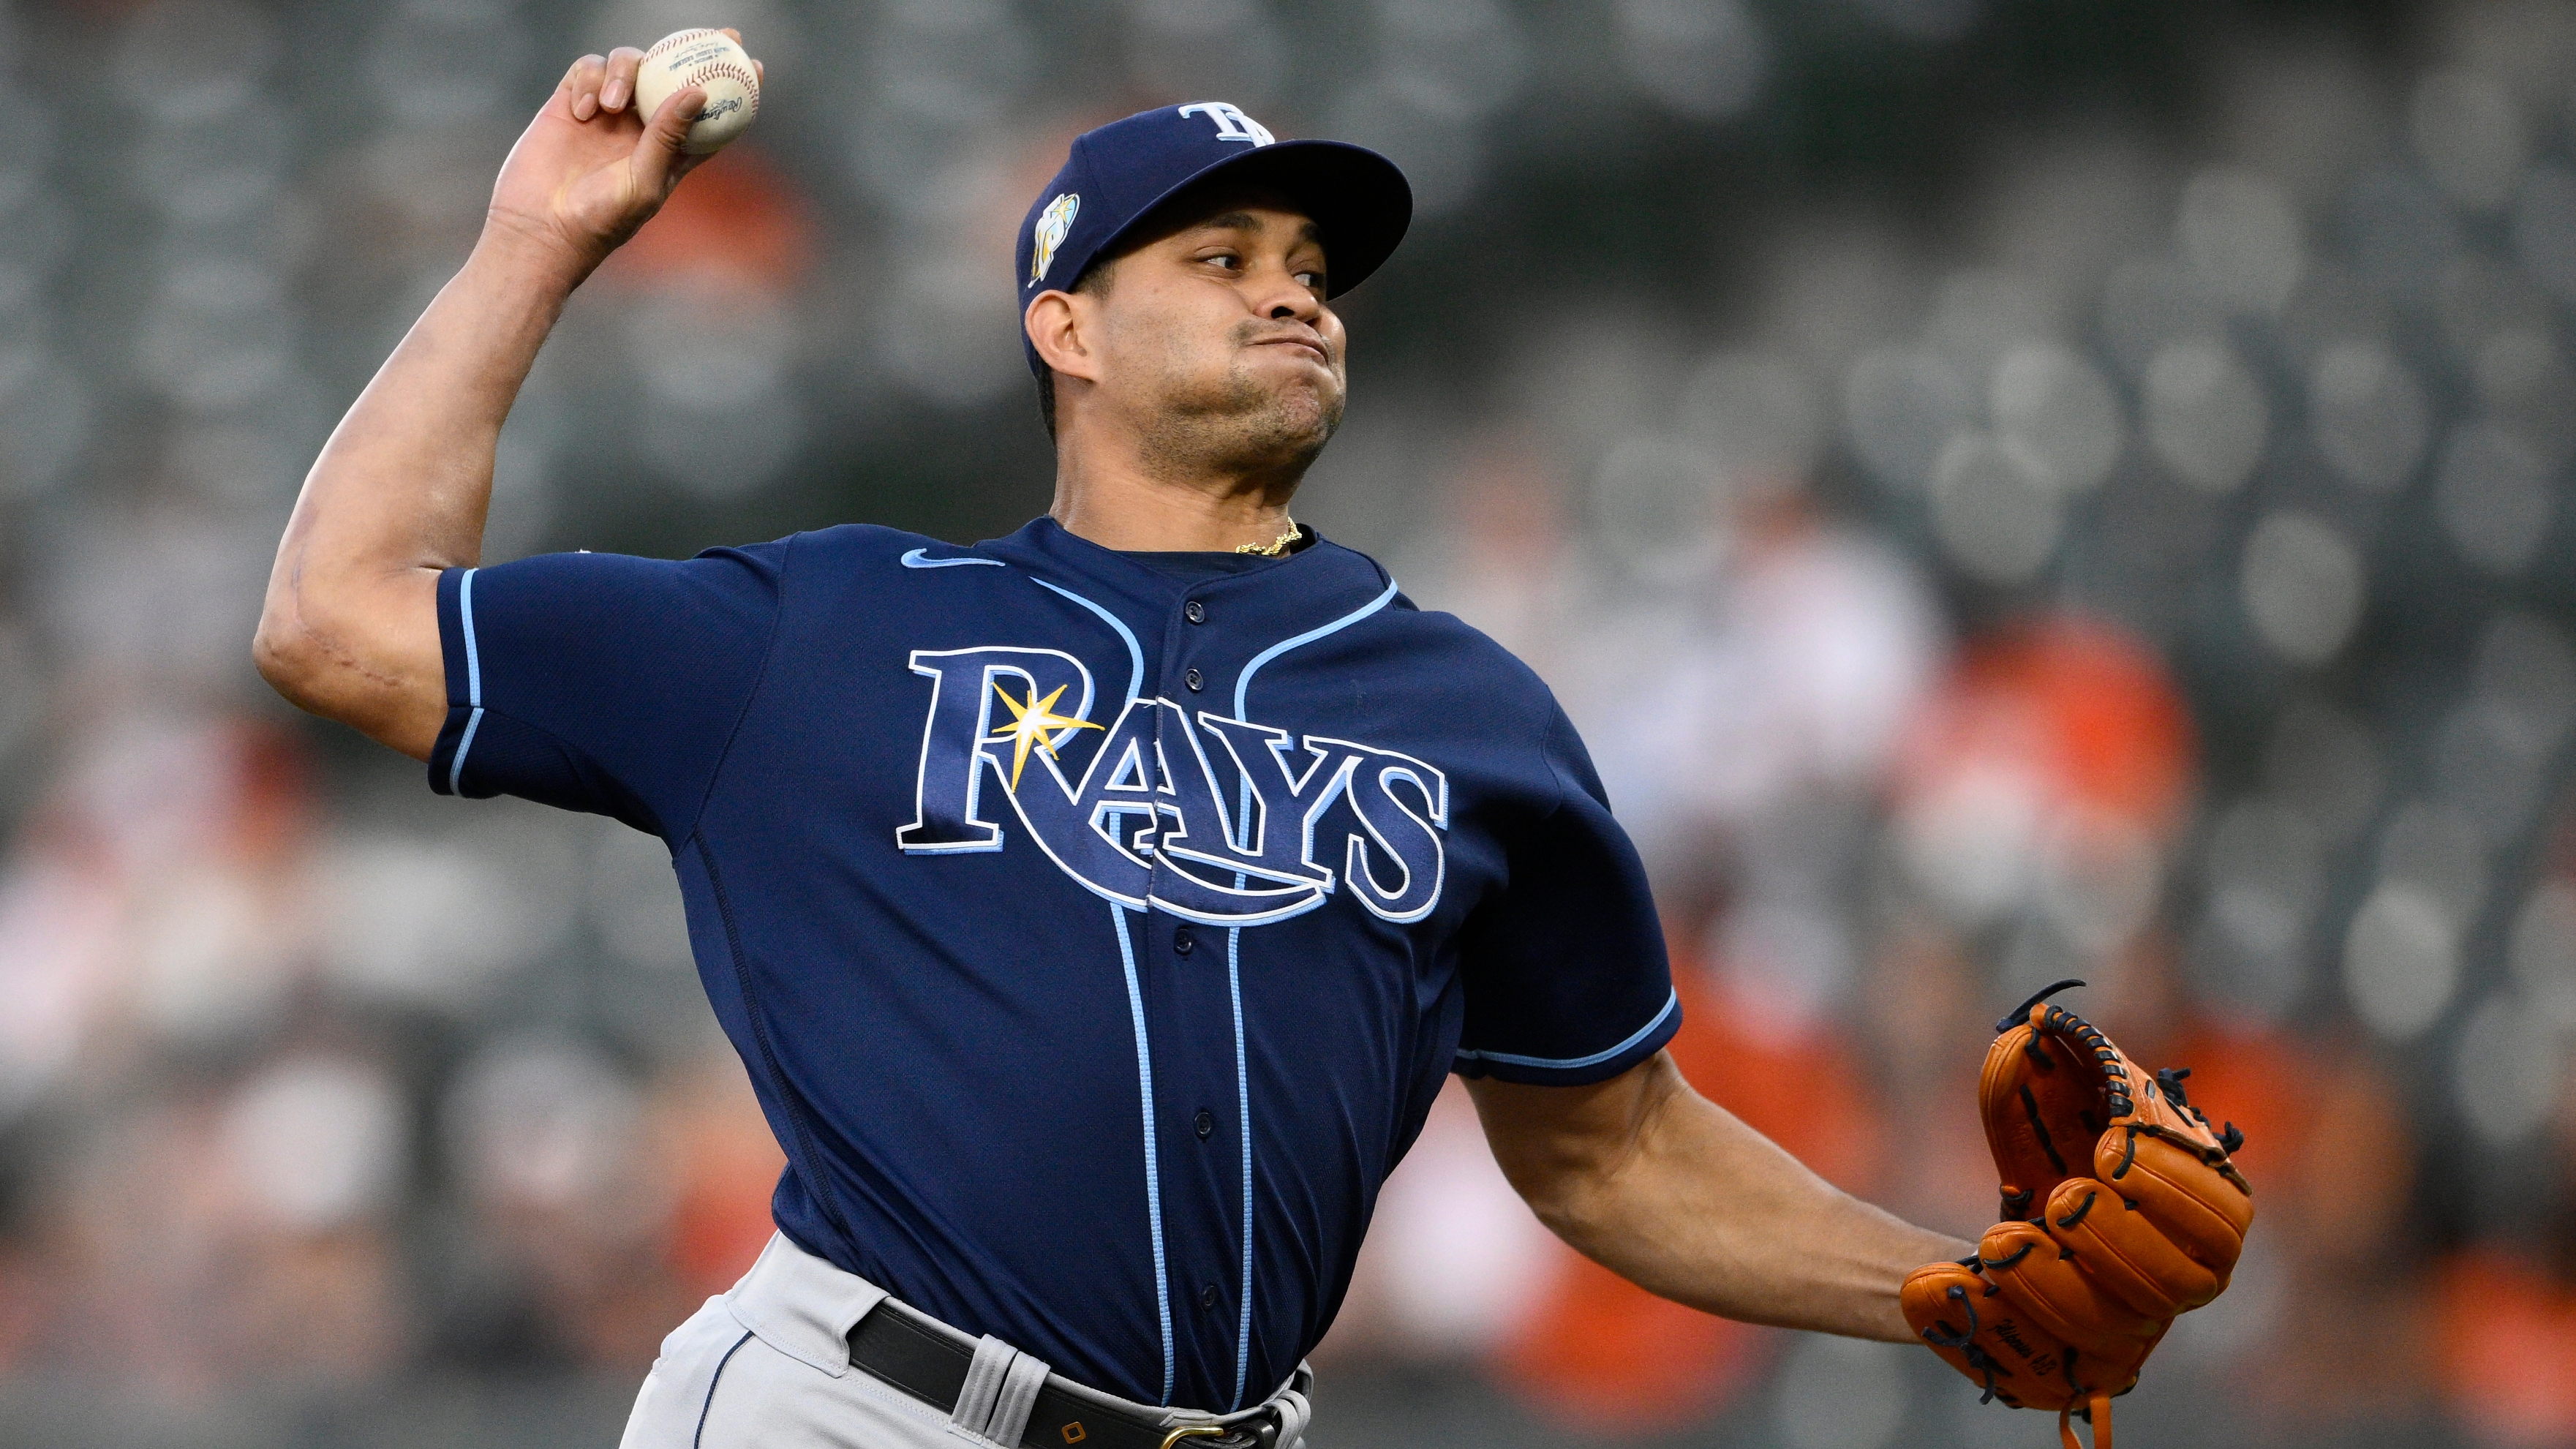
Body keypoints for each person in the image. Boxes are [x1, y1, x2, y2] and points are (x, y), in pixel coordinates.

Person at [254, 40, 1968, 1448]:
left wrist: (1953, 1289)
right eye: (1221, 263)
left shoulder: (1466, 712)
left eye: (1310, 271)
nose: (1294, 299)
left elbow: (1618, 1144)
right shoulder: (825, 629)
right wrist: (536, 243)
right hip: (862, 1414)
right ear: (1063, 327)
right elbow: (337, 617)